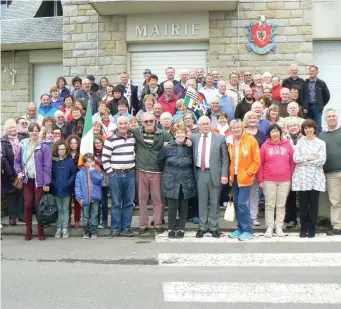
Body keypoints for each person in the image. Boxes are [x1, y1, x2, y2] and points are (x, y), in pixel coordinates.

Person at [129, 113, 173, 234]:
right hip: (141, 169)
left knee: (157, 199)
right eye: (146, 121)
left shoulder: (162, 133)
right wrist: (112, 132)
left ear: (155, 121)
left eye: (151, 121)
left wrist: (166, 148)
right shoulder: (137, 131)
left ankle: (158, 222)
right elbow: (123, 128)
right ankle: (143, 224)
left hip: (157, 171)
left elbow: (173, 142)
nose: (148, 123)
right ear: (142, 122)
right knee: (142, 199)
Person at [157, 123, 197, 239]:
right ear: (174, 134)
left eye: (182, 132)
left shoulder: (190, 147)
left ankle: (181, 228)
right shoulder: (167, 147)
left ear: (185, 134)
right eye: (177, 132)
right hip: (171, 180)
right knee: (172, 206)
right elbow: (160, 161)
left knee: (184, 206)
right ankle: (171, 227)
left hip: (186, 179)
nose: (180, 135)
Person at [192, 116, 229, 238]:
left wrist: (224, 174)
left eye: (208, 123)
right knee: (202, 201)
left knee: (214, 202)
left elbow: (225, 159)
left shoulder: (219, 138)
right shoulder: (194, 138)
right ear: (199, 126)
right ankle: (202, 227)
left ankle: (213, 227)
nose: (206, 126)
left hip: (215, 174)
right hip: (200, 173)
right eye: (203, 124)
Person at [14, 122, 52, 241]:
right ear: (29, 132)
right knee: (28, 204)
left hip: (39, 181)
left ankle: (40, 230)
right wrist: (19, 171)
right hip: (27, 180)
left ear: (39, 132)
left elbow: (47, 166)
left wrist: (46, 182)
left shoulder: (44, 146)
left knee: (38, 205)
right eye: (32, 130)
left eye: (36, 130)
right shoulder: (23, 145)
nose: (34, 132)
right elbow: (17, 161)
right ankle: (28, 230)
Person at [258, 124, 295, 237]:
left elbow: (292, 163)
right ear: (269, 134)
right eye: (272, 131)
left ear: (280, 132)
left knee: (281, 205)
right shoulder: (264, 146)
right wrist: (260, 180)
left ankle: (279, 227)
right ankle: (269, 227)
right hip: (269, 179)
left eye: (277, 131)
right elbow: (260, 164)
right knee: (269, 204)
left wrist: (291, 177)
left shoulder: (287, 145)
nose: (275, 133)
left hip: (285, 180)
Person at [102, 116, 136, 237]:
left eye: (125, 123)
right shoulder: (110, 139)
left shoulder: (133, 137)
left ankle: (126, 228)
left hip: (130, 174)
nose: (123, 126)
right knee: (116, 203)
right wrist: (111, 173)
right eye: (120, 123)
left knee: (128, 203)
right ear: (117, 125)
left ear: (128, 124)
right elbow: (105, 159)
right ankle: (115, 228)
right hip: (115, 174)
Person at [292, 119, 326, 238]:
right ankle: (303, 227)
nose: (308, 130)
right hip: (301, 178)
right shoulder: (300, 142)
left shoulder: (321, 143)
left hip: (315, 178)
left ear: (314, 128)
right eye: (305, 128)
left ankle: (312, 228)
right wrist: (310, 158)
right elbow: (296, 158)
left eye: (310, 128)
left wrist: (305, 161)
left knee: (313, 204)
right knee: (303, 204)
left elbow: (321, 160)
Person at [227, 119, 260, 241]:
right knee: (236, 203)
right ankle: (240, 228)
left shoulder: (251, 140)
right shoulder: (229, 141)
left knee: (242, 203)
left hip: (245, 177)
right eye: (233, 127)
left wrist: (248, 173)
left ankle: (248, 230)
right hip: (234, 177)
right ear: (230, 129)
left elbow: (256, 161)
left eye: (237, 127)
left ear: (242, 128)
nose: (236, 129)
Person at [319, 109, 341, 236]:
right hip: (331, 173)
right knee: (335, 201)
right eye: (329, 116)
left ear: (337, 117)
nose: (332, 118)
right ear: (325, 119)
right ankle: (337, 226)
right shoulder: (322, 136)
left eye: (333, 116)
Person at [243, 111, 266, 226]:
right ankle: (244, 216)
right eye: (250, 118)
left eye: (254, 118)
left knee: (254, 192)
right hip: (244, 168)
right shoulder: (242, 133)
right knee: (244, 193)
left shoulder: (261, 134)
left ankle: (253, 216)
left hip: (257, 167)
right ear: (246, 120)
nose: (252, 120)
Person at [1, 119, 24, 225]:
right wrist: (11, 173)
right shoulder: (3, 141)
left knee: (21, 194)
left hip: (21, 172)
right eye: (10, 127)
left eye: (14, 127)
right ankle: (12, 217)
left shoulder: (22, 139)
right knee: (12, 195)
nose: (12, 129)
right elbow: (4, 158)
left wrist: (21, 171)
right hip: (9, 173)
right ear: (6, 130)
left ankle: (21, 215)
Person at [75, 153, 104, 239]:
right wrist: (79, 198)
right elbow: (77, 187)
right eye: (88, 162)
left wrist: (92, 171)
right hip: (85, 198)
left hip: (95, 198)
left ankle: (94, 231)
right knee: (86, 216)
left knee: (94, 216)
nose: (90, 163)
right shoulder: (80, 174)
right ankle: (86, 231)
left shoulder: (98, 171)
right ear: (84, 163)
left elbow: (98, 180)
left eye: (92, 161)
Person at [51, 140, 76, 239]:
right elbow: (50, 174)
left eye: (63, 149)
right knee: (58, 209)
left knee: (65, 209)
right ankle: (58, 228)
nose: (62, 151)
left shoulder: (70, 161)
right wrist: (54, 183)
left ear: (66, 150)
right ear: (57, 150)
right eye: (60, 149)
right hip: (56, 189)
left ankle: (64, 228)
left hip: (67, 189)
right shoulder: (53, 161)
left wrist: (68, 183)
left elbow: (73, 173)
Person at [283, 117, 303, 228]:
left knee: (302, 195)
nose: (293, 127)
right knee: (290, 195)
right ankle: (291, 218)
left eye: (295, 125)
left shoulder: (304, 138)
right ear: (287, 128)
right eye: (291, 126)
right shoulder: (283, 139)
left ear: (299, 127)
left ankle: (305, 218)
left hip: (301, 170)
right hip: (288, 169)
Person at [303, 65, 330, 135]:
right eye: (310, 71)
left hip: (317, 107)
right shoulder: (305, 83)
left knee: (318, 125)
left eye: (313, 71)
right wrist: (304, 106)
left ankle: (319, 142)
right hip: (307, 107)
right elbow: (302, 95)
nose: (311, 72)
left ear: (317, 72)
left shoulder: (321, 83)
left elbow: (327, 96)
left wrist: (321, 104)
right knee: (308, 125)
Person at [65, 134, 82, 228]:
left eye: (75, 143)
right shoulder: (66, 154)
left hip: (78, 180)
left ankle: (77, 220)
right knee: (67, 201)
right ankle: (68, 220)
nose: (73, 145)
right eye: (71, 143)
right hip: (67, 179)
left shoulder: (81, 154)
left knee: (77, 200)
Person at [93, 136, 109, 229]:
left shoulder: (106, 152)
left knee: (104, 201)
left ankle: (105, 220)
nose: (98, 144)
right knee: (97, 202)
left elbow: (104, 164)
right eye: (96, 143)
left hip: (105, 179)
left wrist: (97, 160)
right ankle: (97, 220)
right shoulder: (92, 154)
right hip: (95, 179)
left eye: (99, 142)